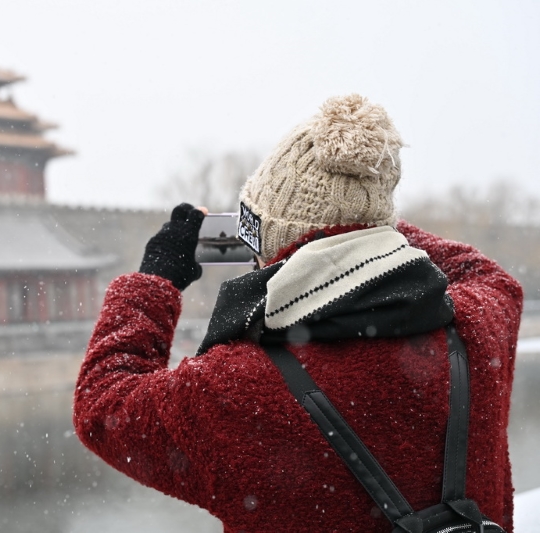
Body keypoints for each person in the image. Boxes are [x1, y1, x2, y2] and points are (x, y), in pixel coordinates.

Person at [72, 94, 523, 532]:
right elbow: (491, 276)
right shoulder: (476, 329)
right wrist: (367, 220)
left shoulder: (235, 390)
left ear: (274, 241)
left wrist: (158, 277)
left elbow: (102, 402)